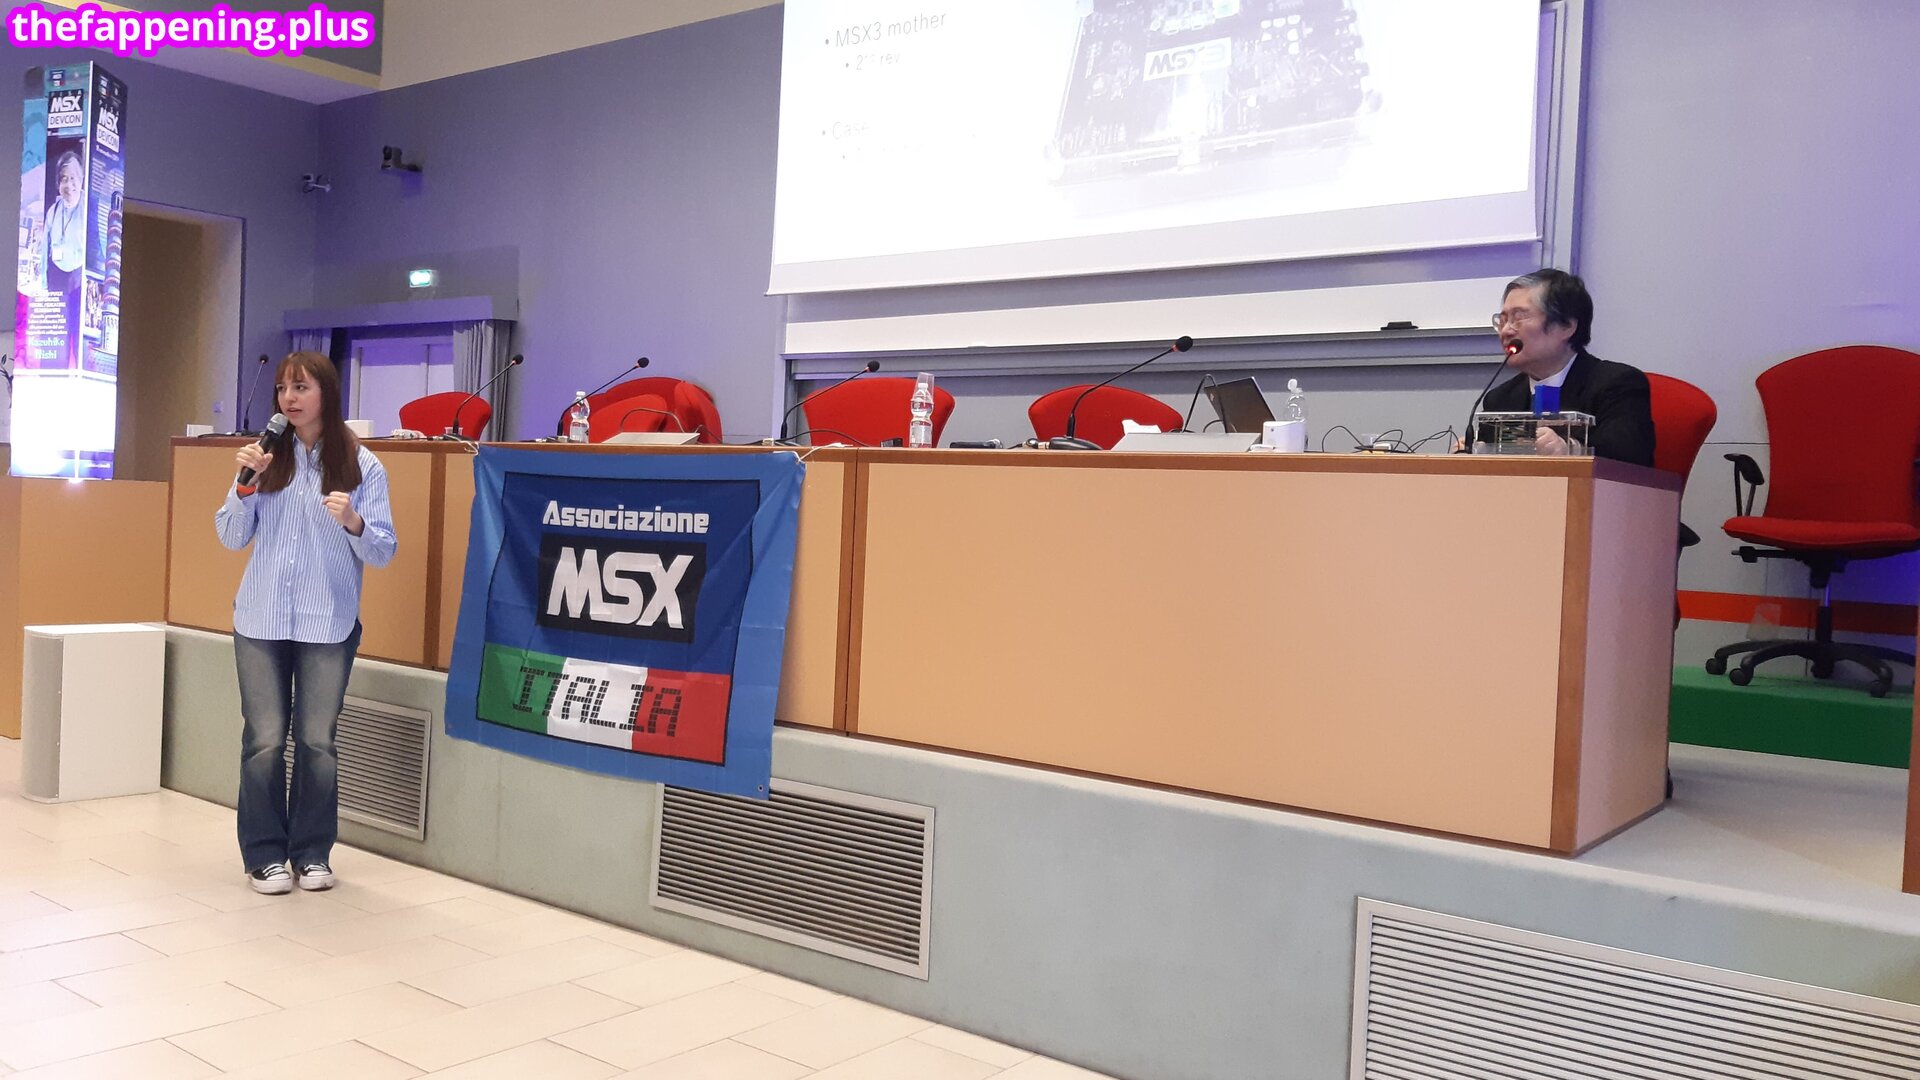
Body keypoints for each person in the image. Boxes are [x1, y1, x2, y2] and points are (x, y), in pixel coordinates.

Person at [215, 351, 396, 894]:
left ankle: (312, 853)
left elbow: (384, 550)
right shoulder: (266, 456)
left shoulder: (362, 465)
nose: (289, 399)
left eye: (301, 388)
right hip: (261, 618)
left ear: (326, 394)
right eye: (282, 389)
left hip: (328, 622)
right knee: (265, 740)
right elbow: (229, 536)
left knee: (317, 742)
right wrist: (245, 486)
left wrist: (354, 521)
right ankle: (264, 855)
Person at [1467, 269, 1656, 466]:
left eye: (1519, 317)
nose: (1506, 331)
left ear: (1566, 326)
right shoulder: (1501, 399)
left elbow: (1627, 457)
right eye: (1503, 320)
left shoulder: (1617, 385)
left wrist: (1571, 449)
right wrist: (1474, 452)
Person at [43, 150, 85, 291]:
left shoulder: (89, 208)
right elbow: (44, 250)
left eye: (73, 178)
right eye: (64, 179)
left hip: (80, 277)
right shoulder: (52, 211)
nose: (69, 185)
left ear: (81, 179)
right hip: (55, 276)